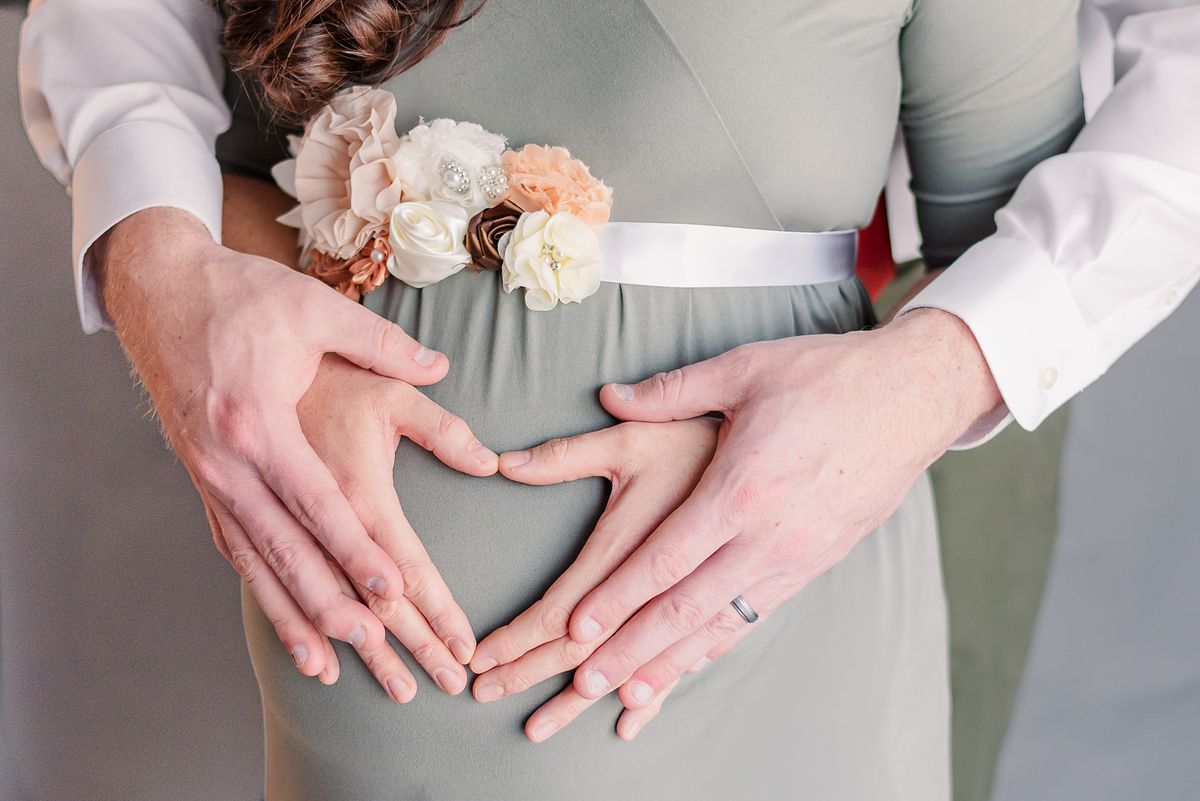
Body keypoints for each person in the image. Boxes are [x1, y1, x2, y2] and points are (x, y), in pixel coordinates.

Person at [17, 1, 1200, 799]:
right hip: (387, 644)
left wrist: (944, 370)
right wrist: (161, 269)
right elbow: (126, 42)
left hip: (792, 565)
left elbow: (1013, 180)